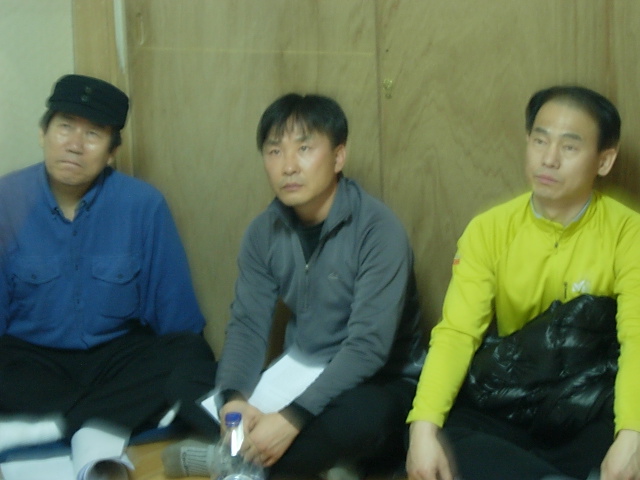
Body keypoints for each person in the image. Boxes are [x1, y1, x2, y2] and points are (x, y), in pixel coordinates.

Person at [163, 93, 426, 479]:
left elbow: (367, 349)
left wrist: (291, 418)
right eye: (274, 151)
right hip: (297, 371)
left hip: (377, 380)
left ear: (338, 157)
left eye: (304, 149)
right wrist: (233, 404)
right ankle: (294, 460)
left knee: (363, 417)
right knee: (184, 379)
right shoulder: (263, 232)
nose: (288, 166)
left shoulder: (378, 230)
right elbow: (248, 326)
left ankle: (238, 461)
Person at [405, 85, 640, 480]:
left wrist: (631, 437)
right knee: (436, 437)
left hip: (592, 404)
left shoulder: (628, 233)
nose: (549, 159)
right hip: (513, 398)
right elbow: (457, 334)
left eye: (569, 147)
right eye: (539, 140)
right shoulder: (489, 229)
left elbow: (637, 339)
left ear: (604, 160)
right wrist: (422, 428)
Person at [0, 75, 218, 460]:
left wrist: (187, 366)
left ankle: (55, 425)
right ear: (43, 133)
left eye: (93, 134)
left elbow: (179, 320)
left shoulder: (144, 205)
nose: (74, 144)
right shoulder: (6, 200)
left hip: (115, 358)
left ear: (112, 151)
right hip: (32, 361)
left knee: (190, 354)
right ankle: (105, 421)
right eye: (65, 127)